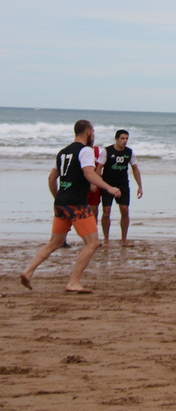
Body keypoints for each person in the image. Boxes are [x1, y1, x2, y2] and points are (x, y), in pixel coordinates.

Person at [20, 120, 121, 293]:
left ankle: (28, 272)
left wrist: (58, 198)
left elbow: (52, 178)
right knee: (93, 243)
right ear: (88, 132)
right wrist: (109, 187)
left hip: (61, 202)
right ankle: (73, 282)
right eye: (93, 132)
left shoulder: (62, 152)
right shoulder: (86, 150)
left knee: (55, 242)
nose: (93, 135)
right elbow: (88, 173)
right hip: (76, 203)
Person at [100, 129, 144, 247]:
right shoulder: (107, 151)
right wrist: (96, 183)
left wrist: (140, 186)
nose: (125, 141)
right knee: (106, 211)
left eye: (126, 138)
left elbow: (135, 169)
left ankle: (124, 240)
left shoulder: (129, 152)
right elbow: (98, 168)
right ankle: (106, 240)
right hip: (108, 185)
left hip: (123, 184)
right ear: (116, 139)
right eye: (122, 138)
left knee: (125, 210)